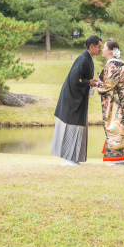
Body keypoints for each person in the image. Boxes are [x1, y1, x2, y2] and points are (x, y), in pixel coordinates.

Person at [51, 35, 101, 166]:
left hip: (78, 98)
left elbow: (82, 79)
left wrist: (90, 83)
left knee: (78, 127)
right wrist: (88, 82)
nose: (100, 49)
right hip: (72, 100)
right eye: (99, 46)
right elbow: (75, 79)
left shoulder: (88, 59)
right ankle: (67, 159)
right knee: (71, 126)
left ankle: (73, 158)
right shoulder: (83, 59)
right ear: (92, 46)